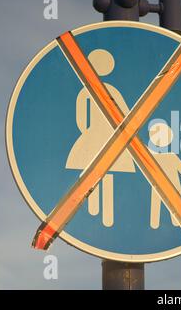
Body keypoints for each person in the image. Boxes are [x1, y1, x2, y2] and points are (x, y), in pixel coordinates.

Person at [66, 49, 136, 227]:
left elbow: (80, 117)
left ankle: (97, 211)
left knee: (93, 172)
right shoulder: (111, 90)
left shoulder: (86, 90)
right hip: (111, 134)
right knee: (107, 171)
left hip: (94, 134)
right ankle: (105, 217)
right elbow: (126, 114)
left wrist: (88, 132)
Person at [148, 122, 181, 229]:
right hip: (167, 185)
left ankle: (158, 223)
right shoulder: (168, 157)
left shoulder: (167, 157)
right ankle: (157, 223)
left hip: (169, 185)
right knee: (160, 202)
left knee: (162, 202)